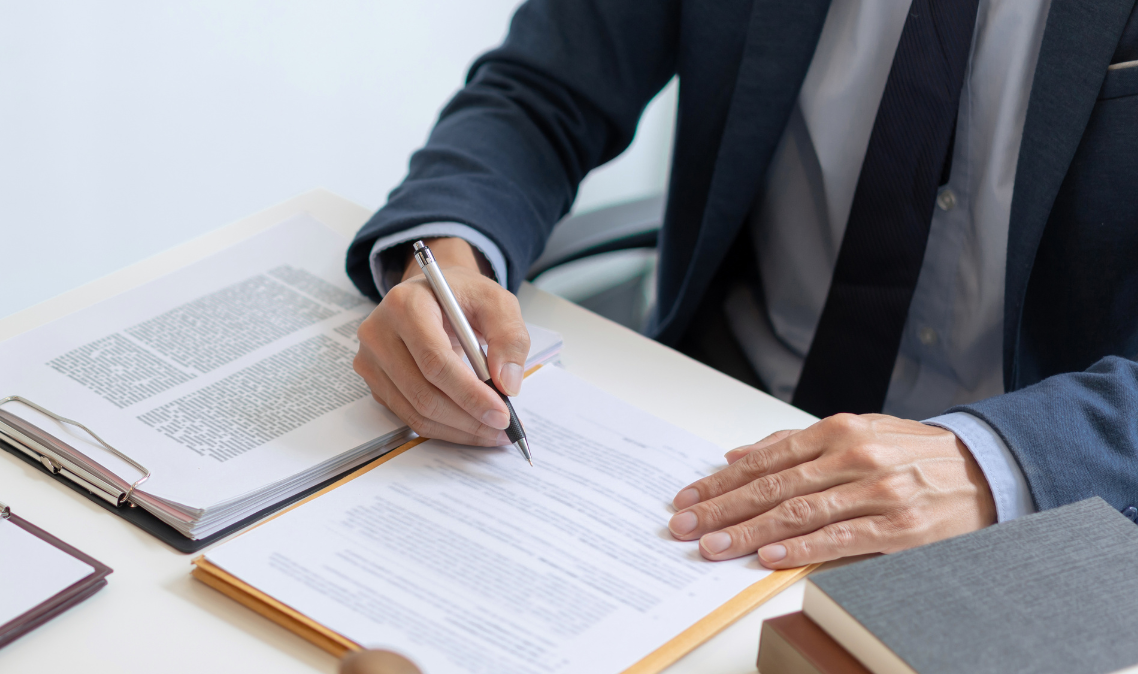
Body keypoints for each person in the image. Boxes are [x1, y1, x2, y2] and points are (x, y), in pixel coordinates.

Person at [346, 0, 1138, 567]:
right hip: (711, 416)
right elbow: (544, 87)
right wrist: (446, 254)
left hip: (1037, 495)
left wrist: (988, 460)